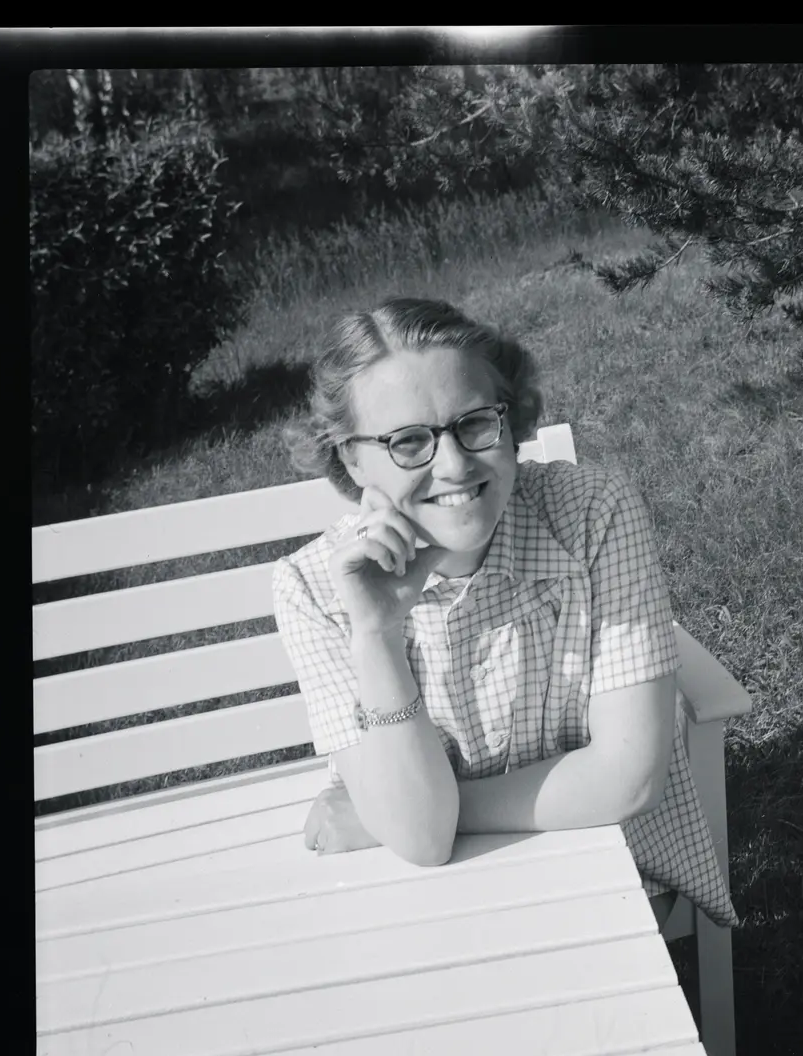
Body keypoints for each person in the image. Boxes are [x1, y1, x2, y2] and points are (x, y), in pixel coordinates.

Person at [273, 298, 740, 931]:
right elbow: (422, 846)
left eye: (474, 423)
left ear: (510, 416)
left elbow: (628, 781)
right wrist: (377, 633)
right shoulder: (313, 590)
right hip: (423, 901)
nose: (453, 465)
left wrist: (414, 814)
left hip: (610, 873)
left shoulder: (592, 511)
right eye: (408, 442)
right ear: (352, 458)